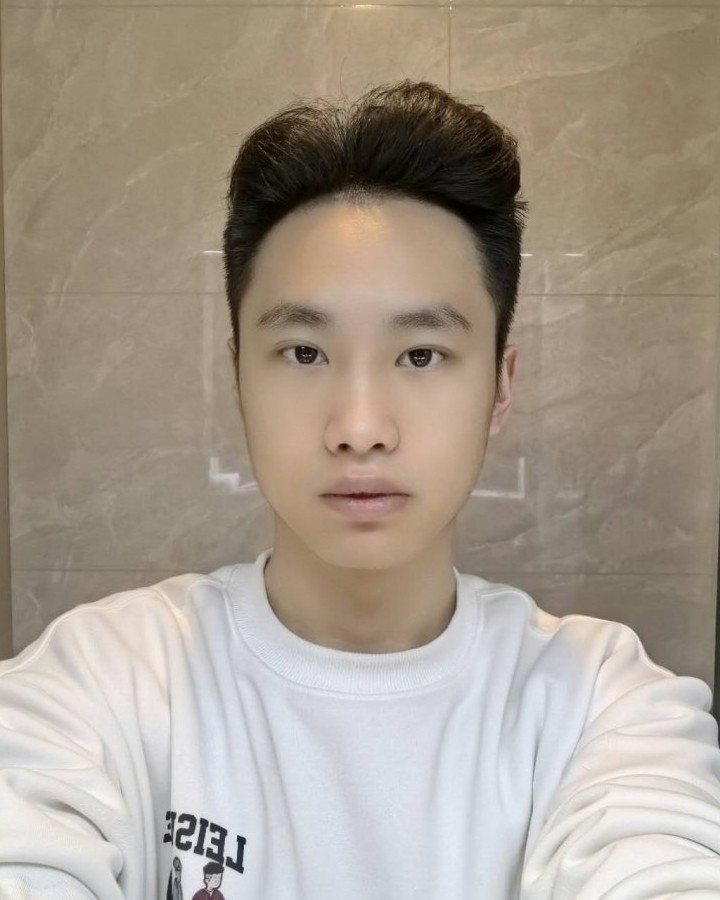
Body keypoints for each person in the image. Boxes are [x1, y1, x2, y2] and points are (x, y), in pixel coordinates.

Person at [1, 78, 720, 900]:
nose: (360, 427)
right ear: (237, 375)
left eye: (421, 355)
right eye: (304, 353)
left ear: (501, 386)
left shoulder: (597, 700)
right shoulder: (105, 679)